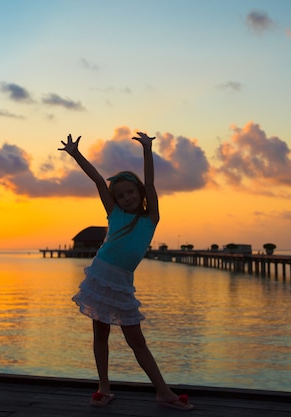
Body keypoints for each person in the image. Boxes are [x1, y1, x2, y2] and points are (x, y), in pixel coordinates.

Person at [58, 132, 194, 411]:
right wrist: (75, 154)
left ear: (139, 193)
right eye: (120, 195)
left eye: (130, 192)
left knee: (137, 341)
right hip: (99, 276)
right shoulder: (115, 213)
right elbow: (98, 180)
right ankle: (103, 388)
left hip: (121, 283)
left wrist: (147, 149)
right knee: (100, 335)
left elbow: (151, 182)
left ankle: (163, 391)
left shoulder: (150, 218)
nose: (126, 197)